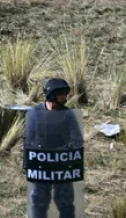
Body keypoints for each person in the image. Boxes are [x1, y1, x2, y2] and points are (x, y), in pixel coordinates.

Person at [26, 78, 84, 218]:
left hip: (62, 164)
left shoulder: (68, 114)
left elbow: (77, 140)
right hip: (41, 164)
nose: (65, 97)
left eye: (65, 93)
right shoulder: (35, 113)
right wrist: (29, 163)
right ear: (52, 94)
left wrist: (66, 151)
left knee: (65, 202)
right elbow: (28, 139)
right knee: (39, 201)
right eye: (61, 94)